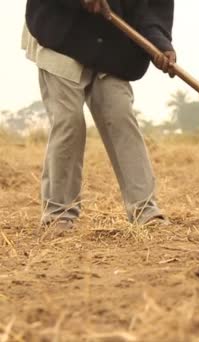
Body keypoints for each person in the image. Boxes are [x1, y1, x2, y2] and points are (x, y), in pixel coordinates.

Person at [23, 0, 176, 231]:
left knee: (120, 114)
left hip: (113, 44)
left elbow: (149, 9)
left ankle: (145, 210)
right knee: (69, 120)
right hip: (61, 32)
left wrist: (160, 43)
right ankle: (59, 213)